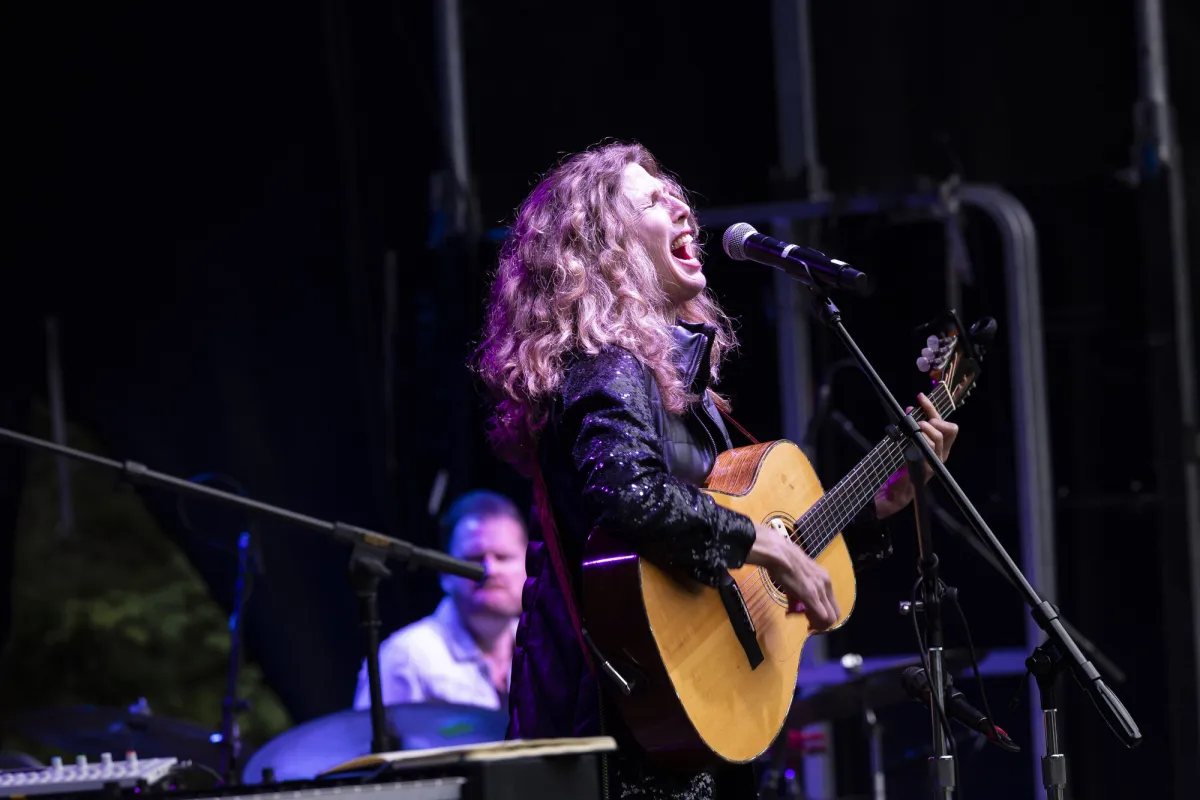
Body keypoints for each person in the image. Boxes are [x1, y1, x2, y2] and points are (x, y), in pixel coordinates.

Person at [473, 141, 959, 799]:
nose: (682, 208)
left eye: (677, 197)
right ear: (604, 245)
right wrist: (767, 546)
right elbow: (627, 493)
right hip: (620, 742)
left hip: (679, 732)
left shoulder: (676, 386)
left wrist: (880, 505)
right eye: (652, 201)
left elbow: (741, 566)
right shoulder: (610, 362)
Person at [352, 490, 527, 713]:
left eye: (503, 557)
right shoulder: (406, 658)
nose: (490, 570)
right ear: (444, 574)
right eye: (474, 558)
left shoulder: (546, 649)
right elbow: (367, 743)